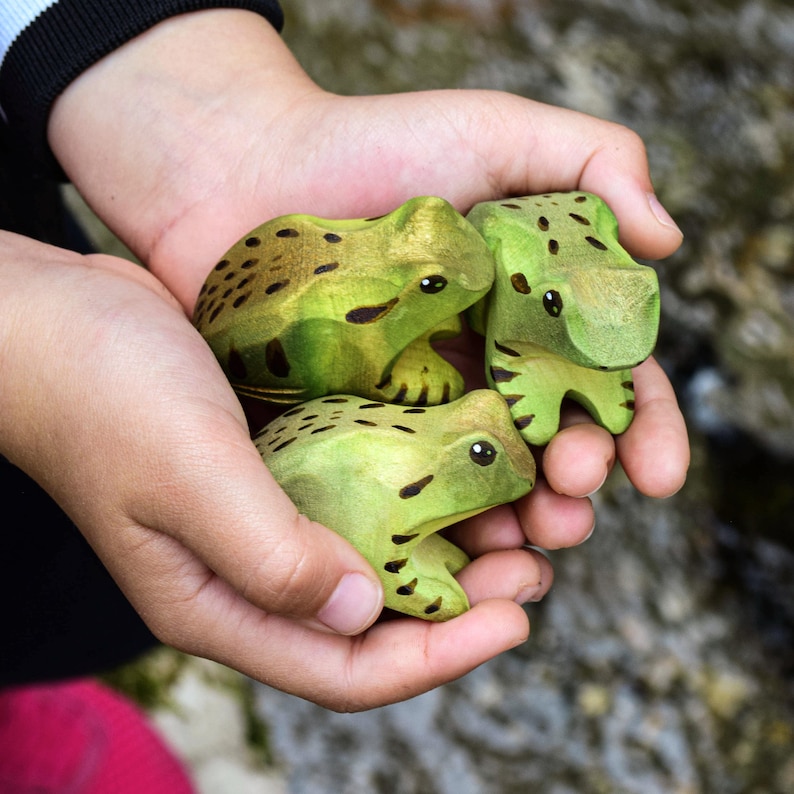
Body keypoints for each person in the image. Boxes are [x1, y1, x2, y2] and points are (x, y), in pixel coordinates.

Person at [0, 0, 689, 724]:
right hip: (223, 358)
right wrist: (31, 337)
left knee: (84, 589)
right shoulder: (362, 337)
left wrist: (180, 79)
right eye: (430, 287)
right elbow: (364, 374)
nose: (464, 278)